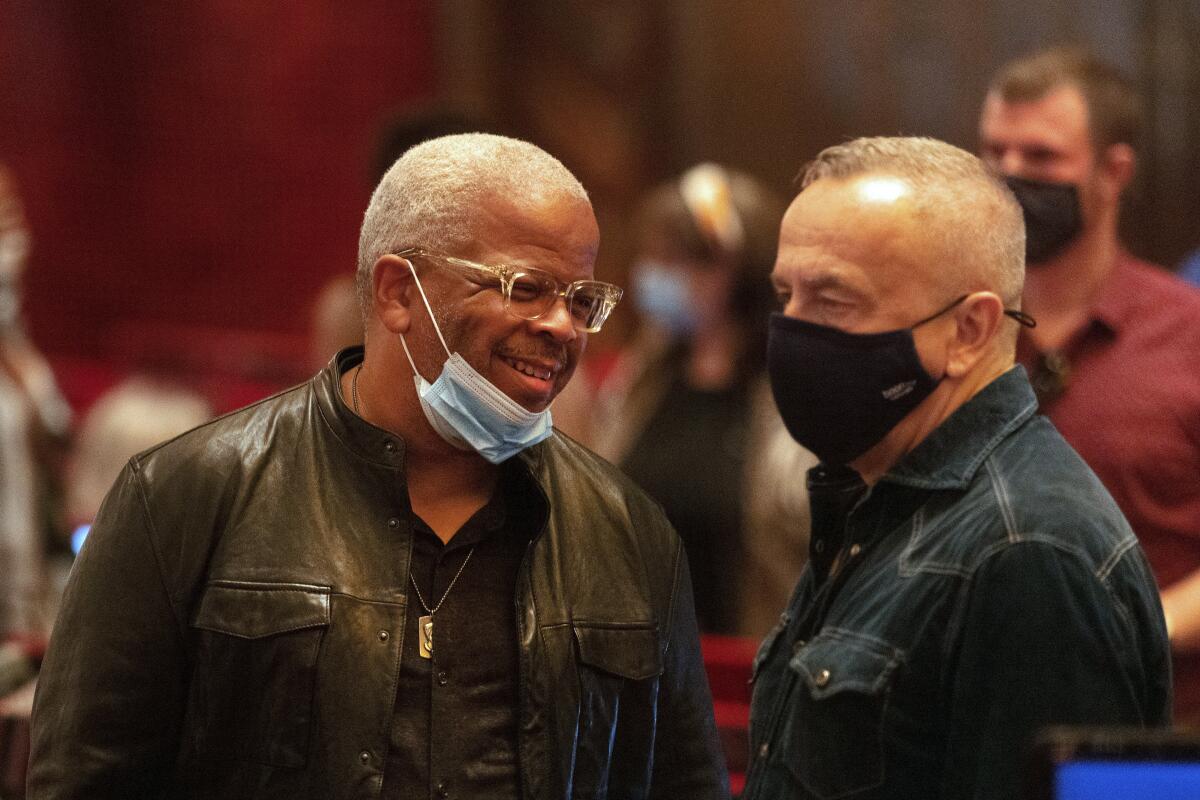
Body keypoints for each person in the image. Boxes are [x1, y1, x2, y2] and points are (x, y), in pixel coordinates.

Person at [28, 134, 728, 799]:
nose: (563, 327)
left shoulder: (628, 532)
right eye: (524, 288)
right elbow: (85, 779)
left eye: (580, 300)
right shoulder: (187, 495)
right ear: (398, 293)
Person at [743, 136, 1170, 800]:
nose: (791, 332)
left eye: (833, 300)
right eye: (785, 295)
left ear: (969, 331)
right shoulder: (885, 494)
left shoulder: (1028, 552)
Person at [979, 45, 1200, 724]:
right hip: (977, 716)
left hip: (1154, 729)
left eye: (1040, 157)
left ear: (1114, 172)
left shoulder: (1188, 333)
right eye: (994, 152)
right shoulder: (957, 331)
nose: (1010, 174)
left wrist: (1134, 630)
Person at [579, 163, 815, 636]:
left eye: (674, 260)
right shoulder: (643, 375)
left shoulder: (790, 393)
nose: (652, 275)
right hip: (638, 657)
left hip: (746, 660)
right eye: (652, 256)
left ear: (733, 269)